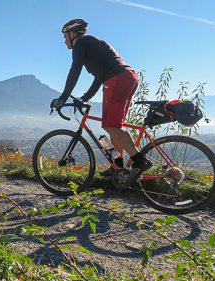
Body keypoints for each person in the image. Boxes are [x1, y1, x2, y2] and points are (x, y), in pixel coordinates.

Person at [50, 18, 152, 180]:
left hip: (117, 79)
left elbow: (75, 69)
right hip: (127, 77)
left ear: (71, 33)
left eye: (64, 37)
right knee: (114, 126)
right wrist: (85, 97)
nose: (64, 41)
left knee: (111, 126)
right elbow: (99, 78)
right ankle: (118, 167)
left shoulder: (81, 43)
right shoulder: (91, 44)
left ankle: (140, 161)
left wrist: (63, 98)